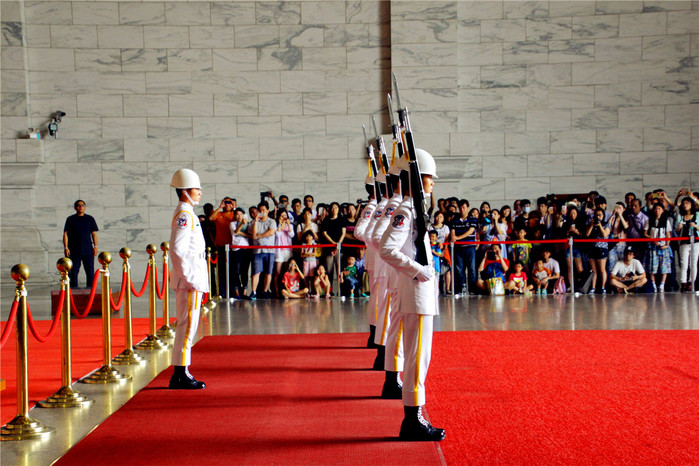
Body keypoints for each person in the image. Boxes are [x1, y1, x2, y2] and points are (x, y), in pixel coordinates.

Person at [379, 148, 445, 442]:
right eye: (429, 178)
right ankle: (412, 420)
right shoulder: (405, 211)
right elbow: (386, 249)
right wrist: (417, 270)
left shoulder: (416, 210)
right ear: (418, 180)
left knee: (423, 356)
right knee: (417, 357)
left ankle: (414, 415)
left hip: (423, 291)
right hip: (416, 290)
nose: (432, 184)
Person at [168, 168, 208, 389]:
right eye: (196, 189)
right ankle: (180, 374)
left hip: (190, 279)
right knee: (187, 326)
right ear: (185, 191)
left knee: (188, 326)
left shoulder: (187, 212)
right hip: (189, 281)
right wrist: (192, 279)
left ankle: (182, 370)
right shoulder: (184, 215)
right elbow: (177, 251)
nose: (200, 192)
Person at [63, 200, 99, 289]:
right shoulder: (70, 219)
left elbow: (94, 234)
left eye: (82, 205)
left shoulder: (90, 219)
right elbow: (65, 234)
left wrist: (96, 246)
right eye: (78, 205)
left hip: (87, 248)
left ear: (85, 207)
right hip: (74, 249)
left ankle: (91, 290)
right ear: (75, 207)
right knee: (73, 271)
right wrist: (66, 247)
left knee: (90, 271)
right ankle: (73, 290)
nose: (80, 207)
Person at [450, 199, 478, 296]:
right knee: (459, 269)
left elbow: (471, 231)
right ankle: (461, 288)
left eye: (464, 207)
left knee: (472, 269)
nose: (462, 210)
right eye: (460, 208)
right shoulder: (455, 219)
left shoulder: (472, 219)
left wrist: (458, 237)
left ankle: (473, 290)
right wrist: (454, 237)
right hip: (458, 248)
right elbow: (452, 232)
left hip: (470, 247)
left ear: (467, 208)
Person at [249, 201, 277, 300]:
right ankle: (253, 291)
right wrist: (256, 221)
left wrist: (259, 236)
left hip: (269, 250)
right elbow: (253, 234)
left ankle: (265, 291)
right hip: (257, 251)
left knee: (268, 272)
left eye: (263, 210)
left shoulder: (272, 221)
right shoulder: (253, 222)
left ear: (268, 211)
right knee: (256, 272)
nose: (262, 212)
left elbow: (271, 232)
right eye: (260, 210)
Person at [209, 197, 236, 297]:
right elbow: (211, 218)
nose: (227, 204)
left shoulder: (234, 214)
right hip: (220, 246)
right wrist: (220, 207)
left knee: (232, 270)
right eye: (226, 202)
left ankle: (233, 291)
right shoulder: (219, 214)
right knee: (221, 270)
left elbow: (239, 220)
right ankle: (222, 292)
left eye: (229, 202)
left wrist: (234, 208)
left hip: (232, 246)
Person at [644, 202, 672, 293]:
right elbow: (645, 233)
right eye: (656, 209)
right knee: (652, 265)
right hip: (653, 245)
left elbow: (668, 234)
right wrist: (651, 239)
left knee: (664, 265)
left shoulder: (666, 221)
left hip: (663, 245)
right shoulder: (649, 220)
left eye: (659, 209)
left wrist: (667, 244)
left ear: (663, 210)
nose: (657, 211)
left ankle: (662, 284)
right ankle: (653, 284)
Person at [675, 196, 699, 292]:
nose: (685, 205)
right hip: (684, 242)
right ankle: (683, 283)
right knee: (684, 263)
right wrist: (679, 227)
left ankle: (691, 282)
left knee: (693, 263)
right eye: (684, 203)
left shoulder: (696, 215)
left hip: (695, 242)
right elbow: (676, 231)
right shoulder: (680, 216)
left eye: (687, 203)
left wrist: (695, 226)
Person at [586, 207, 611, 294]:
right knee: (594, 270)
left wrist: (600, 225)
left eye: (600, 215)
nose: (598, 217)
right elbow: (587, 234)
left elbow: (604, 234)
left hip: (602, 248)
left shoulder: (606, 224)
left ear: (603, 216)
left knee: (602, 269)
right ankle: (593, 287)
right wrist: (592, 225)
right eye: (596, 215)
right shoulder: (591, 224)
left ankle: (603, 287)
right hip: (592, 248)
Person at [229, 208, 251, 298]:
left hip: (246, 248)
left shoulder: (248, 224)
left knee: (244, 271)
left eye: (241, 214)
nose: (239, 216)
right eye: (237, 214)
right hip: (236, 249)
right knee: (236, 271)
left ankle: (245, 292)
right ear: (234, 215)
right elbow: (235, 232)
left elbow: (249, 235)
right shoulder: (232, 223)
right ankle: (237, 292)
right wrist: (242, 225)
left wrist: (241, 232)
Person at [273, 209, 294, 298]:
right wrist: (279, 224)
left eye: (285, 215)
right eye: (281, 216)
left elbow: (291, 235)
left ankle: (287, 292)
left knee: (286, 272)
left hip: (288, 250)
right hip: (279, 251)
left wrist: (288, 225)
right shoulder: (276, 225)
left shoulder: (291, 225)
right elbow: (277, 235)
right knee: (277, 272)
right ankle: (277, 292)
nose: (283, 217)